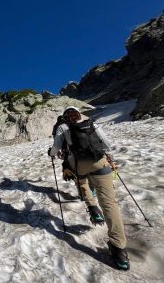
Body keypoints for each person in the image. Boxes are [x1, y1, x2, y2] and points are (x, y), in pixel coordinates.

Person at [49, 106, 130, 270]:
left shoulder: (63, 127)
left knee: (82, 182)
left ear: (65, 116)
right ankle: (119, 249)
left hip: (79, 164)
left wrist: (51, 153)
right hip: (99, 162)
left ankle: (92, 207)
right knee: (109, 203)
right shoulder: (91, 123)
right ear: (79, 114)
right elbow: (107, 144)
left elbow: (56, 149)